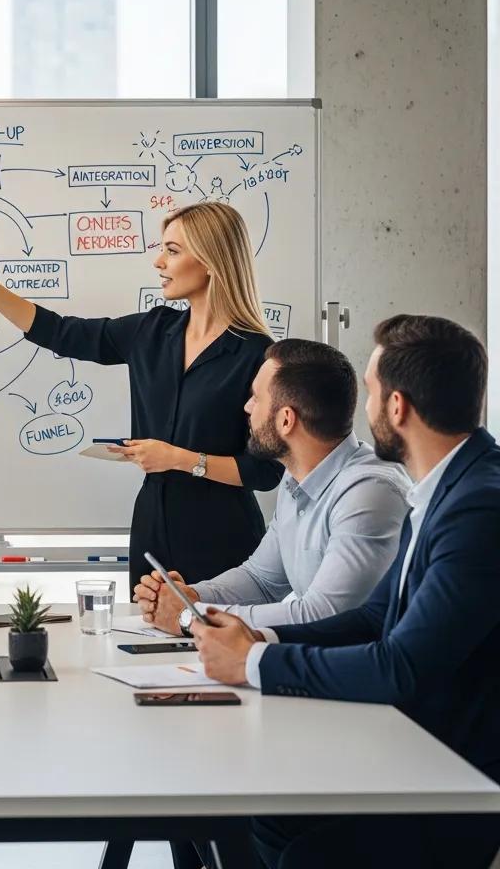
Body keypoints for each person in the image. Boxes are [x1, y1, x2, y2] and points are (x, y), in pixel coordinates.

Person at [190, 315, 500, 869]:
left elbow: (401, 666)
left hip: (455, 777)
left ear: (398, 408)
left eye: (374, 393)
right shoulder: (444, 489)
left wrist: (256, 662)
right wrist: (258, 635)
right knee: (256, 813)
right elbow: (373, 617)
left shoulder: (478, 506)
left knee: (306, 850)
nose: (365, 408)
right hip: (411, 746)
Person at [0, 201, 283, 590]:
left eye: (172, 250)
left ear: (212, 261)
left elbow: (265, 472)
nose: (158, 262)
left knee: (217, 646)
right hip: (153, 529)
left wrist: (180, 459)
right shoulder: (152, 332)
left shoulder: (256, 354)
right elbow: (60, 332)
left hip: (222, 538)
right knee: (149, 639)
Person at [134, 338, 409, 633]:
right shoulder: (297, 477)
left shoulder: (369, 492)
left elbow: (324, 615)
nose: (247, 407)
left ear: (286, 419)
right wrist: (191, 597)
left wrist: (190, 618)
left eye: (256, 398)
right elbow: (262, 580)